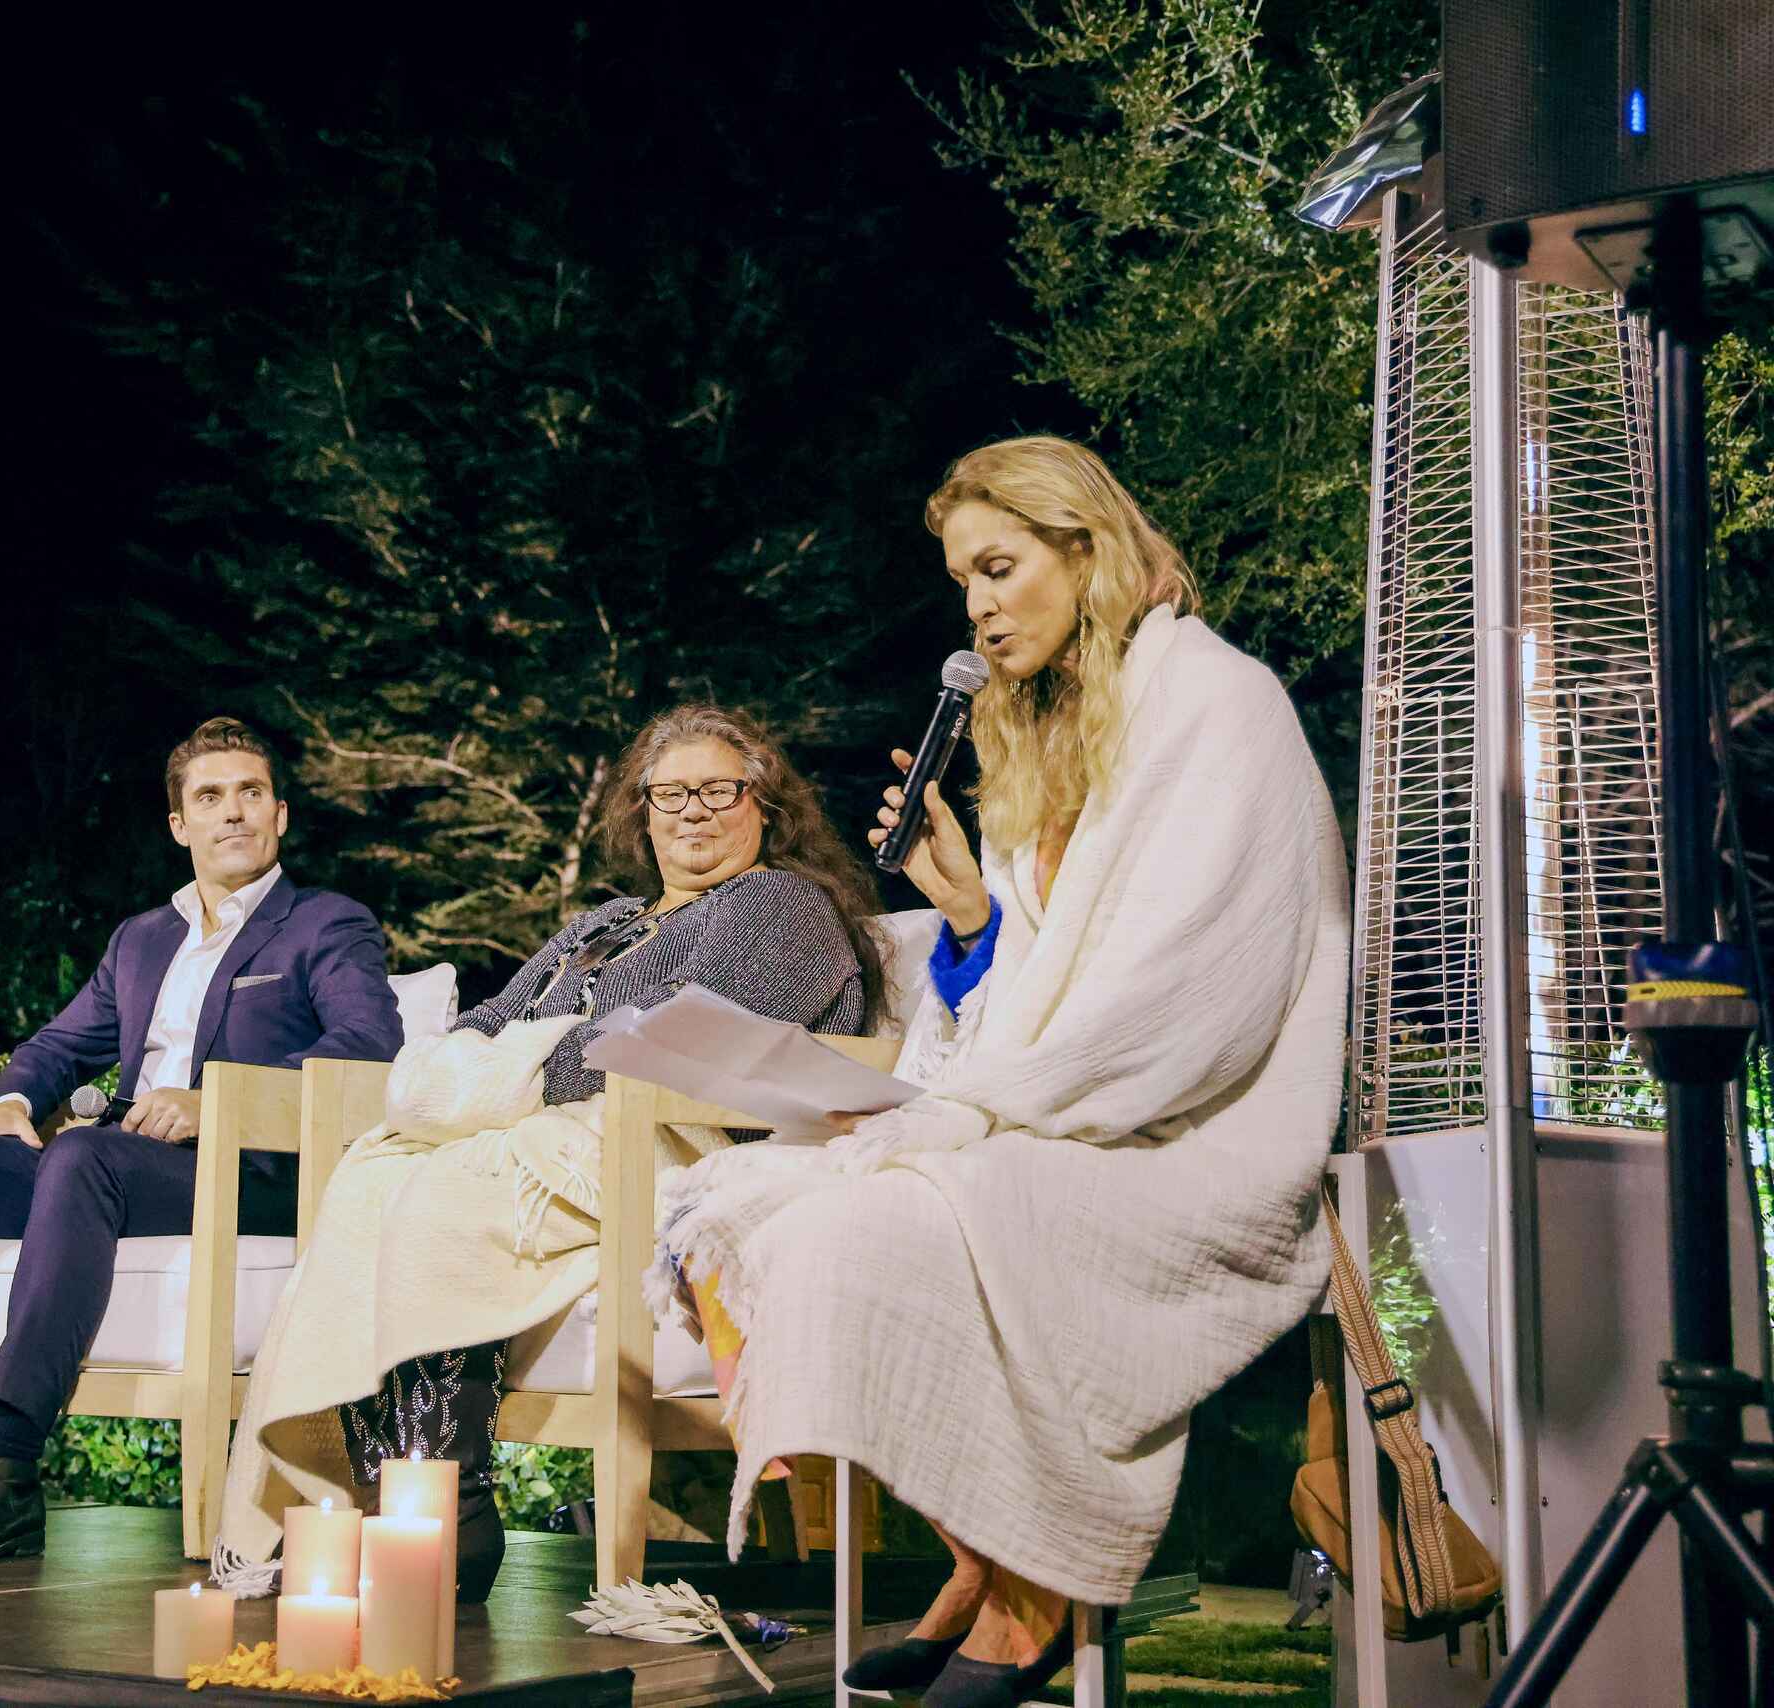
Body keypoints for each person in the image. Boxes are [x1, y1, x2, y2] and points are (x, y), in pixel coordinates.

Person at [652, 436, 1348, 1708]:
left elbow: (1188, 992)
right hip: (1066, 1107)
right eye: (961, 580)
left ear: (1084, 550)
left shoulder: (1217, 706)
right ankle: (987, 1558)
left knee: (890, 1221)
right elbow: (1036, 986)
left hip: (1188, 1131)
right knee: (732, 1219)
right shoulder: (1050, 738)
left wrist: (974, 1112)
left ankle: (1032, 1592)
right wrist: (970, 911)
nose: (975, 606)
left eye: (998, 566)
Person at [214, 703, 884, 1600]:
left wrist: (511, 1067)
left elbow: (689, 1038)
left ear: (766, 805)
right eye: (669, 793)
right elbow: (485, 1023)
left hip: (684, 1148)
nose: (693, 811)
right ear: (640, 813)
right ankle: (380, 1495)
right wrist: (505, 1058)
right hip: (572, 1133)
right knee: (372, 1184)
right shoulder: (602, 922)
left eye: (719, 789)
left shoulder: (779, 904)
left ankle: (449, 1502)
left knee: (449, 1185)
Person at [0, 717, 403, 1564]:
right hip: (124, 1167)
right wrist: (13, 1099)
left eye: (250, 794)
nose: (232, 812)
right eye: (210, 797)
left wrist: (212, 1103)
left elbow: (368, 1046)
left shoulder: (326, 924)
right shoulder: (141, 938)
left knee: (83, 1156)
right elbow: (59, 1043)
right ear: (179, 825)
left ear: (280, 816)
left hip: (249, 1170)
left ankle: (7, 1469)